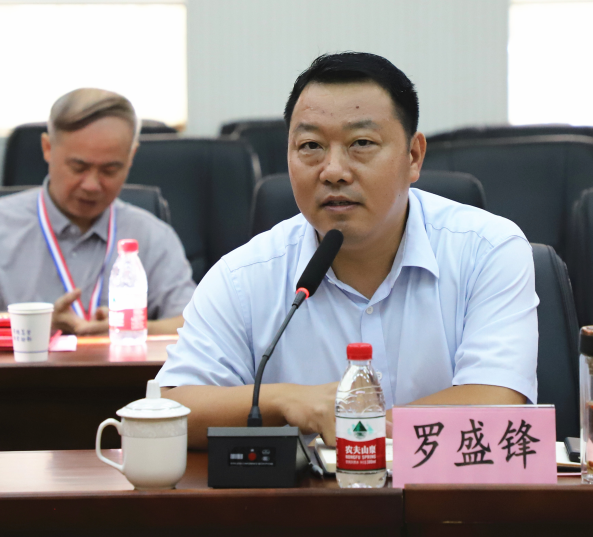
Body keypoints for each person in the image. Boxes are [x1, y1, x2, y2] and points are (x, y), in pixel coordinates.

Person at [158, 53, 538, 448]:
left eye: (361, 143)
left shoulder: (487, 251)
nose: (334, 171)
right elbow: (172, 410)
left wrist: (356, 427)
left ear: (413, 156)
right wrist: (286, 400)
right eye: (310, 145)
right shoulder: (244, 277)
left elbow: (498, 402)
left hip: (448, 488)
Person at [0, 88, 196, 336]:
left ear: (131, 157)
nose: (91, 185)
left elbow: (193, 326)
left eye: (109, 170)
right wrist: (38, 326)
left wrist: (129, 328)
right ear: (47, 148)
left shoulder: (153, 236)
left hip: (120, 362)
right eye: (78, 167)